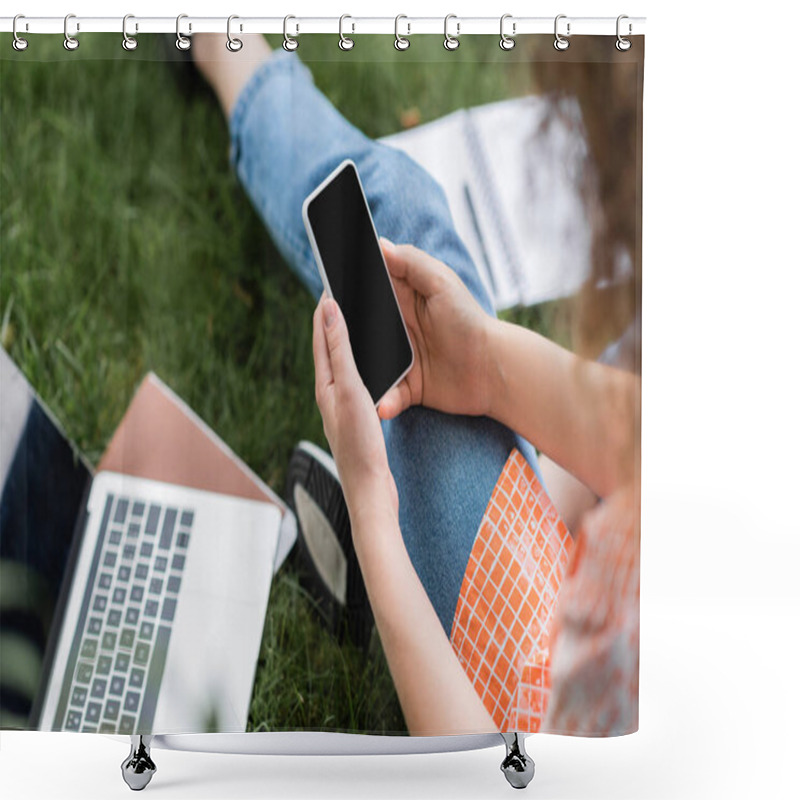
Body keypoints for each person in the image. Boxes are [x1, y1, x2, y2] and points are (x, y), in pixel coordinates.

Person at [190, 34, 641, 737]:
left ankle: (221, 46)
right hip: (607, 558)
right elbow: (643, 444)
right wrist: (486, 368)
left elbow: (496, 775)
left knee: (396, 210)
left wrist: (374, 510)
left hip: (529, 702)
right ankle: (432, 547)